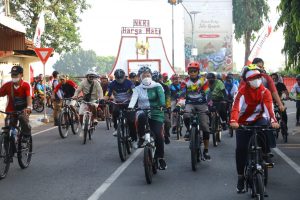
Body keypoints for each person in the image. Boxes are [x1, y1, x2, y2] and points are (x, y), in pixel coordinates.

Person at [230, 67, 279, 193]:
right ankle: (240, 177)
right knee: (241, 149)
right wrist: (234, 121)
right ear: (247, 80)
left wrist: (273, 121)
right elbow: (235, 108)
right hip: (242, 123)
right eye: (253, 78)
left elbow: (269, 108)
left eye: (258, 78)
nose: (257, 80)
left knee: (266, 128)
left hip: (259, 119)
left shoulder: (265, 91)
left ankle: (266, 153)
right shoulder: (241, 92)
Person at [128, 66, 167, 170]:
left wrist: (162, 105)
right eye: (144, 75)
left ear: (151, 76)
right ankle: (141, 138)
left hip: (157, 112)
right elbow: (133, 99)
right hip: (142, 110)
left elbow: (162, 97)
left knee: (158, 135)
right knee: (140, 117)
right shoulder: (137, 88)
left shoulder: (157, 85)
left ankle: (161, 158)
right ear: (140, 77)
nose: (146, 77)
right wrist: (130, 107)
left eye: (148, 75)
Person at [180, 62, 211, 160]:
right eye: (190, 71)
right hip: (190, 103)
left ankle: (206, 150)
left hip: (202, 104)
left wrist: (210, 105)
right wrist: (179, 105)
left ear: (198, 72)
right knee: (186, 115)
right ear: (188, 72)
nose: (192, 73)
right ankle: (189, 131)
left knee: (205, 127)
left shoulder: (204, 80)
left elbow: (207, 93)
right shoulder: (184, 82)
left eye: (194, 71)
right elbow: (182, 94)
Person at [0, 66, 32, 141]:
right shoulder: (7, 85)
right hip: (11, 110)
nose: (13, 77)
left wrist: (29, 107)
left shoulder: (26, 85)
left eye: (16, 75)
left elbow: (29, 97)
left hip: (24, 109)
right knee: (7, 127)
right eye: (12, 75)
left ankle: (26, 136)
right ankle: (7, 145)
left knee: (22, 118)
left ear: (21, 75)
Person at [104, 69, 136, 139]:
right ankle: (116, 128)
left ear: (124, 76)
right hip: (117, 103)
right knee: (115, 112)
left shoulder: (129, 83)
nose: (120, 79)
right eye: (118, 78)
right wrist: (104, 99)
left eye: (121, 77)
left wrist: (133, 99)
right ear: (115, 77)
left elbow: (135, 92)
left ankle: (134, 138)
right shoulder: (112, 84)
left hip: (128, 103)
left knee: (131, 120)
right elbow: (107, 93)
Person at [152, 71, 171, 144]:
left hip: (163, 107)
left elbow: (168, 97)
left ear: (160, 79)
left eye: (158, 80)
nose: (157, 82)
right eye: (155, 80)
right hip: (152, 108)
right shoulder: (149, 87)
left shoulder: (165, 87)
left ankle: (166, 135)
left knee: (167, 122)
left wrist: (168, 106)